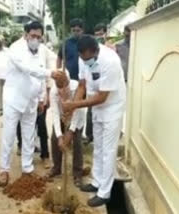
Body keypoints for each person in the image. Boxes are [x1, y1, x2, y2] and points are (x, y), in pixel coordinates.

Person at [62, 35, 126, 207]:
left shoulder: (110, 61)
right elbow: (82, 85)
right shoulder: (84, 58)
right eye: (84, 59)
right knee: (97, 146)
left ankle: (105, 192)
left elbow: (103, 97)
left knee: (108, 149)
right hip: (96, 106)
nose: (86, 62)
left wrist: (75, 104)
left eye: (89, 59)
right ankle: (96, 182)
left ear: (96, 51)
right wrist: (72, 107)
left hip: (111, 106)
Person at [0, 21, 62, 187]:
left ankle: (27, 168)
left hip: (31, 101)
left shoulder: (40, 50)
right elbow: (28, 69)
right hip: (13, 99)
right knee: (9, 135)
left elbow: (39, 74)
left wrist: (41, 97)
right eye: (33, 36)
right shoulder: (15, 48)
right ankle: (4, 170)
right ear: (25, 34)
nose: (36, 39)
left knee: (29, 136)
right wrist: (51, 73)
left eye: (39, 37)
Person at [47, 72, 85, 187]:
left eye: (63, 87)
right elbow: (54, 112)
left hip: (77, 118)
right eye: (58, 87)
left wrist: (71, 131)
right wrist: (59, 136)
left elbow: (77, 111)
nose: (61, 91)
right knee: (54, 139)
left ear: (67, 82)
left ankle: (77, 173)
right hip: (61, 117)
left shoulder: (76, 88)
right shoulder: (53, 92)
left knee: (77, 142)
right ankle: (56, 168)